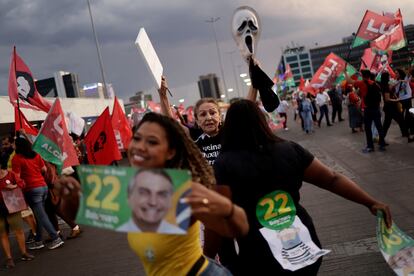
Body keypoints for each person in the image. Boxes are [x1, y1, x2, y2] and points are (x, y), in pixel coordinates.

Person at [213, 99, 392, 275]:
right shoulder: (289, 150)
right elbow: (332, 179)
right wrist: (370, 202)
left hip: (258, 254)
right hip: (303, 246)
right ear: (262, 121)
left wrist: (222, 259)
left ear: (229, 127)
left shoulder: (224, 164)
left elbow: (221, 218)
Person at [57, 112, 249, 275]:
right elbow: (74, 215)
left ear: (170, 152)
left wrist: (227, 209)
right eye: (137, 138)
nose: (140, 146)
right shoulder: (128, 187)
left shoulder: (181, 192)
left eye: (152, 142)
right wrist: (70, 198)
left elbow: (239, 228)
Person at [12, 137, 64, 250]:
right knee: (39, 215)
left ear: (18, 146)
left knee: (41, 215)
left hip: (31, 189)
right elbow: (44, 169)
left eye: (14, 144)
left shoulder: (17, 159)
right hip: (43, 187)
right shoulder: (36, 155)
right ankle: (38, 240)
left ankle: (56, 238)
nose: (13, 146)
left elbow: (16, 176)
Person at [118, 168, 185, 234]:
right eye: (144, 193)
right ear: (129, 198)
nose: (153, 202)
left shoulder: (180, 236)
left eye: (162, 194)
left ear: (170, 202)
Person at [0, 155, 34, 268]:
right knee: (3, 234)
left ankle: (24, 253)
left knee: (18, 230)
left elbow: (22, 184)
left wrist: (14, 186)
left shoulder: (10, 174)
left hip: (12, 208)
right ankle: (9, 258)